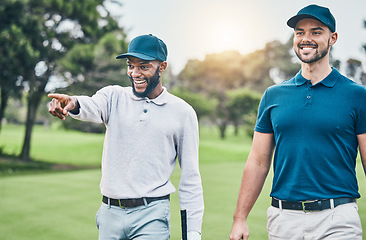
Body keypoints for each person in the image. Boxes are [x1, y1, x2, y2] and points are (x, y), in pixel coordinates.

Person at [230, 4, 366, 240]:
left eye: (316, 32)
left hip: (337, 220)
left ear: (332, 38)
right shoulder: (273, 95)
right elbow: (258, 161)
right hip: (284, 220)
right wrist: (239, 219)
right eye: (300, 32)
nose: (306, 39)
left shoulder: (357, 95)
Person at [48, 34, 204, 240]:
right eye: (131, 66)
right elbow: (91, 105)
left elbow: (190, 178)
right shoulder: (113, 96)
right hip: (110, 214)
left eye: (144, 67)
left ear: (162, 67)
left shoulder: (182, 112)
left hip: (152, 214)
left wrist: (192, 234)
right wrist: (72, 102)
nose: (135, 73)